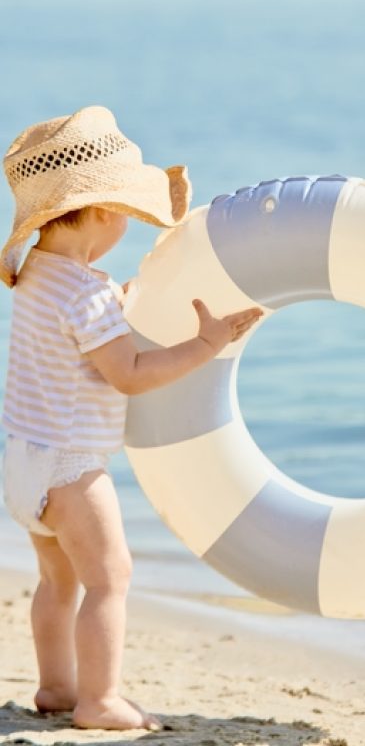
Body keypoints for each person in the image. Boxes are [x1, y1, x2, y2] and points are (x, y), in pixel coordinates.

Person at [0, 106, 264, 730]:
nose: (125, 224)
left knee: (58, 581)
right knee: (110, 577)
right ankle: (99, 699)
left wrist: (115, 304)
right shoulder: (88, 294)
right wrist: (204, 345)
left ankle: (56, 688)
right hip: (70, 465)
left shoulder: (35, 273)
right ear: (99, 212)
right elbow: (130, 372)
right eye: (123, 212)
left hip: (21, 459)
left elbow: (76, 342)